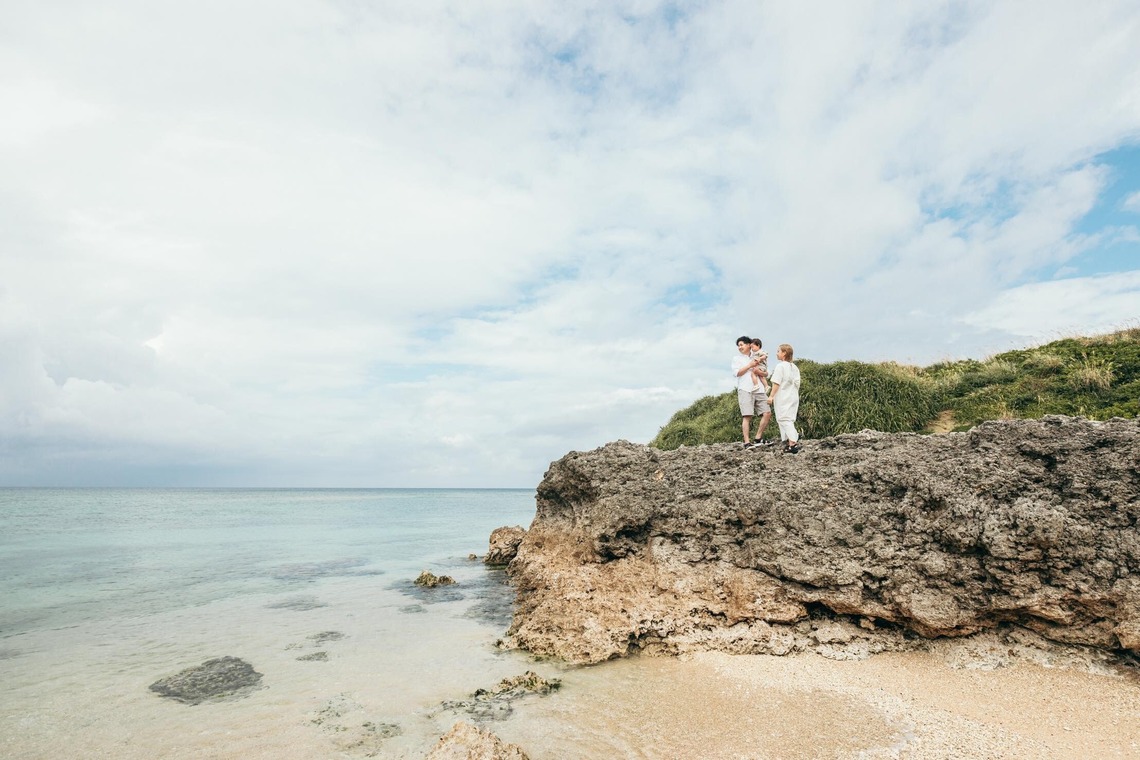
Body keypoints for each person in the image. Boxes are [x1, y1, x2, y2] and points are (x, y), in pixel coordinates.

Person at [732, 336, 772, 449]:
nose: (740, 347)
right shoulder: (737, 359)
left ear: (749, 345)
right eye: (738, 346)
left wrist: (760, 372)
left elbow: (766, 373)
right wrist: (749, 365)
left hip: (759, 389)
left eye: (741, 345)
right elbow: (737, 373)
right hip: (745, 389)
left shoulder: (758, 355)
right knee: (747, 416)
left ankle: (758, 438)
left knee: (767, 412)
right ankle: (747, 442)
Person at [767, 343, 802, 454]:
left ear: (784, 353)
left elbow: (776, 383)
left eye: (778, 351)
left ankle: (793, 442)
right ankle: (788, 441)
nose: (777, 353)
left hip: (783, 396)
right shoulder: (795, 368)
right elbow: (797, 384)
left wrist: (771, 396)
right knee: (789, 418)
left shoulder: (780, 366)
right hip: (793, 395)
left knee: (783, 418)